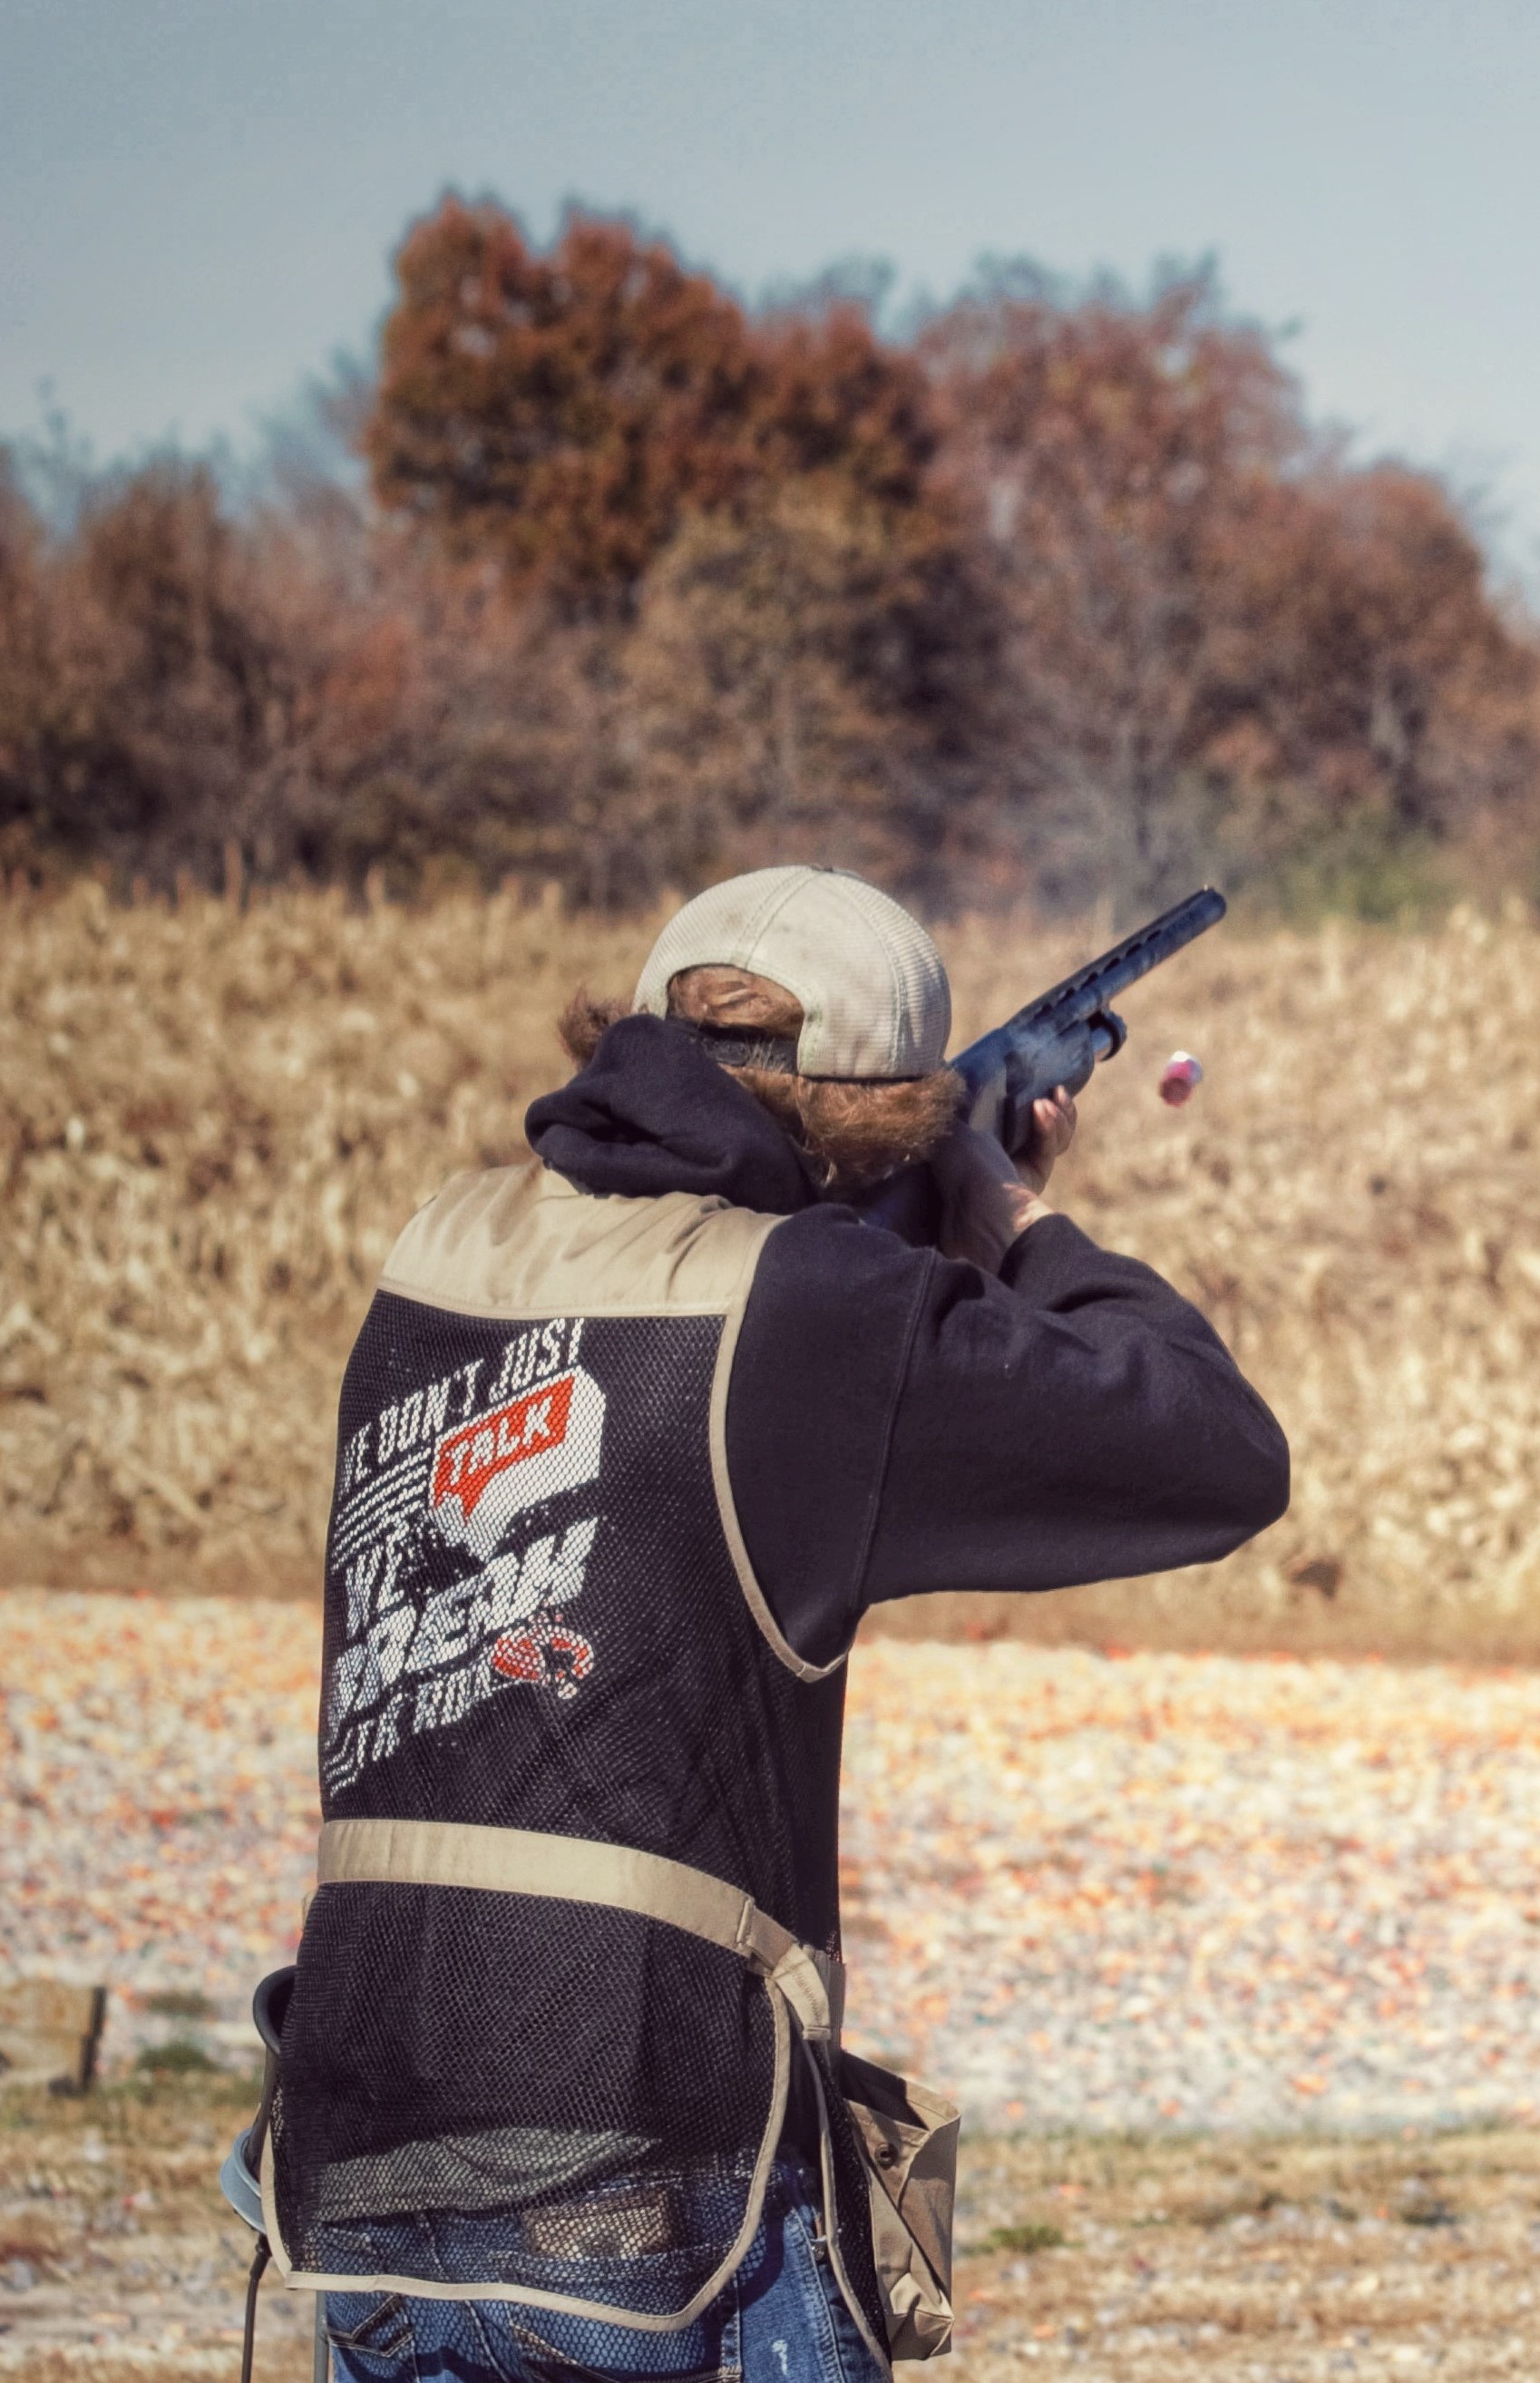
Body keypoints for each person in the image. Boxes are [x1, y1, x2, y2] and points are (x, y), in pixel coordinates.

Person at [263, 867, 1289, 2380]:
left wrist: (901, 1234)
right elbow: (1214, 1450)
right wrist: (1009, 1211)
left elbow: (702, 1415)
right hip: (656, 2160)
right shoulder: (817, 1303)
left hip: (362, 2143)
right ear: (893, 1117)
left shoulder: (438, 1250)